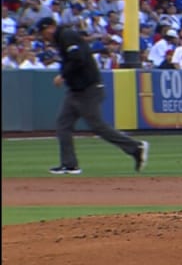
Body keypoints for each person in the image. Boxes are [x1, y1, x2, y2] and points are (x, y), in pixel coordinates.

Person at [34, 17, 148, 174]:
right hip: (76, 90)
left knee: (97, 126)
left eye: (43, 32)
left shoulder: (66, 35)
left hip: (89, 89)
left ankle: (135, 147)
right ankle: (69, 164)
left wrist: (63, 75)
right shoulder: (62, 39)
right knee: (63, 124)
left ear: (50, 28)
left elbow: (77, 58)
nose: (43, 36)